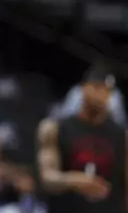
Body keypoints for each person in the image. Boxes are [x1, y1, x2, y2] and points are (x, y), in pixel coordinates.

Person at [37, 63, 126, 213]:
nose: (102, 95)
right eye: (97, 87)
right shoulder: (55, 128)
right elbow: (47, 178)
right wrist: (76, 181)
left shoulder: (121, 135)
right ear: (83, 88)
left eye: (107, 90)